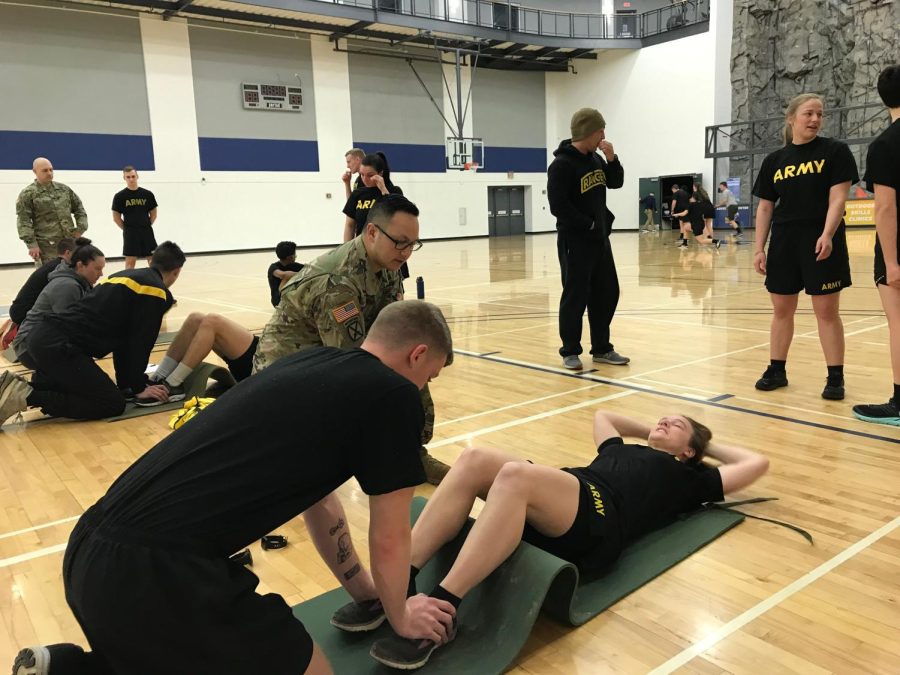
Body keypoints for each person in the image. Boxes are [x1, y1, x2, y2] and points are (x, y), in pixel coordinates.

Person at [9, 301, 456, 675]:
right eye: (430, 376)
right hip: (159, 572)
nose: (423, 387)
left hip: (91, 551)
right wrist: (402, 615)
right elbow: (391, 533)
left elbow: (319, 501)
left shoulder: (312, 363)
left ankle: (66, 668)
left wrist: (363, 590)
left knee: (166, 651)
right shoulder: (392, 394)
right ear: (417, 355)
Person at [368, 407, 770, 670]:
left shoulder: (690, 479)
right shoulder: (622, 450)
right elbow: (606, 415)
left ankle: (441, 609)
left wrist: (701, 442)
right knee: (474, 459)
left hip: (602, 521)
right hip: (572, 494)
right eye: (662, 419)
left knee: (515, 476)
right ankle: (397, 586)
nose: (663, 422)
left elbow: (756, 463)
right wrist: (664, 429)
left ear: (689, 451)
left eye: (675, 425)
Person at [253, 194, 448, 478]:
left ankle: (412, 450)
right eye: (400, 242)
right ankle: (392, 454)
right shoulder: (336, 284)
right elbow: (352, 360)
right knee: (377, 378)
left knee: (414, 360)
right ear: (371, 232)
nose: (406, 252)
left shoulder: (387, 263)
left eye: (412, 245)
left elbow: (395, 330)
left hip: (321, 360)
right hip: (284, 378)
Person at [0, 242, 185, 425]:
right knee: (111, 403)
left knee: (81, 391)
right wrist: (138, 387)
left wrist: (128, 385)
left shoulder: (124, 275)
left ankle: (15, 387)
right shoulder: (156, 292)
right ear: (176, 271)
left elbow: (123, 341)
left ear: (152, 261)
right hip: (59, 347)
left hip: (45, 338)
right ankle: (26, 395)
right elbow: (139, 343)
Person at [752, 93, 857, 400]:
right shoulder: (775, 160)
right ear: (792, 119)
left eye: (819, 114)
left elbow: (838, 198)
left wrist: (827, 234)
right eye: (808, 113)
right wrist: (759, 248)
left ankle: (835, 377)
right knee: (782, 309)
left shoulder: (835, 151)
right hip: (784, 242)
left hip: (822, 239)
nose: (814, 119)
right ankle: (777, 369)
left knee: (826, 311)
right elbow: (765, 208)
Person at [547, 107, 628, 371]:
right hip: (575, 241)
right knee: (575, 296)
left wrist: (612, 159)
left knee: (607, 293)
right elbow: (558, 205)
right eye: (600, 130)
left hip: (600, 241)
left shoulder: (596, 160)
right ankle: (570, 350)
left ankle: (602, 348)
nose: (604, 135)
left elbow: (615, 183)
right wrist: (589, 223)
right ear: (588, 131)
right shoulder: (561, 165)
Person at [852, 65, 900, 425]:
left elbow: (885, 208)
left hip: (897, 249)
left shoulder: (885, 145)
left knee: (898, 322)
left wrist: (892, 262)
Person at [12, 239, 105, 366]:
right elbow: (70, 327)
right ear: (80, 265)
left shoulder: (78, 280)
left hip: (37, 339)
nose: (101, 274)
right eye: (97, 269)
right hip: (30, 347)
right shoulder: (68, 285)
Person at [135, 312, 259, 406]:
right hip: (264, 349)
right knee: (195, 319)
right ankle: (158, 378)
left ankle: (173, 385)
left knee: (212, 322)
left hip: (265, 364)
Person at [2, 238, 78, 350]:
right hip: (23, 314)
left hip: (21, 310)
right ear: (68, 253)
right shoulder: (59, 269)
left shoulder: (55, 265)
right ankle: (15, 331)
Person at [16, 157, 88, 264]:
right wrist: (32, 245)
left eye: (51, 169)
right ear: (35, 171)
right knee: (49, 277)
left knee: (73, 273)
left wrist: (80, 228)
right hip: (47, 247)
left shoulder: (64, 189)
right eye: (45, 170)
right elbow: (24, 221)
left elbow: (79, 209)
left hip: (69, 243)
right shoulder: (28, 194)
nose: (49, 173)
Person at [343, 152, 404, 242]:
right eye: (362, 175)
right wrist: (346, 249)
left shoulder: (394, 191)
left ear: (380, 173)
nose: (365, 179)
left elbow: (396, 217)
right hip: (362, 245)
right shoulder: (358, 193)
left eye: (370, 175)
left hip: (385, 245)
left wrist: (383, 189)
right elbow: (350, 224)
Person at [112, 166, 158, 269]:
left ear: (137, 176)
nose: (131, 179)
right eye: (128, 177)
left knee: (153, 261)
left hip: (146, 231)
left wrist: (146, 225)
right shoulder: (119, 196)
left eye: (133, 176)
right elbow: (116, 217)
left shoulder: (147, 194)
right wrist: (127, 228)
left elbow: (154, 213)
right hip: (130, 232)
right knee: (130, 263)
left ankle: (155, 282)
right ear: (124, 178)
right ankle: (128, 284)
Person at [267, 241, 304, 307]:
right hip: (278, 301)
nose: (295, 256)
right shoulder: (273, 267)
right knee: (287, 277)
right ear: (290, 257)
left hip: (291, 298)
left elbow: (309, 268)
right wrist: (302, 274)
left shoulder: (294, 266)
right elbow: (283, 275)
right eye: (294, 254)